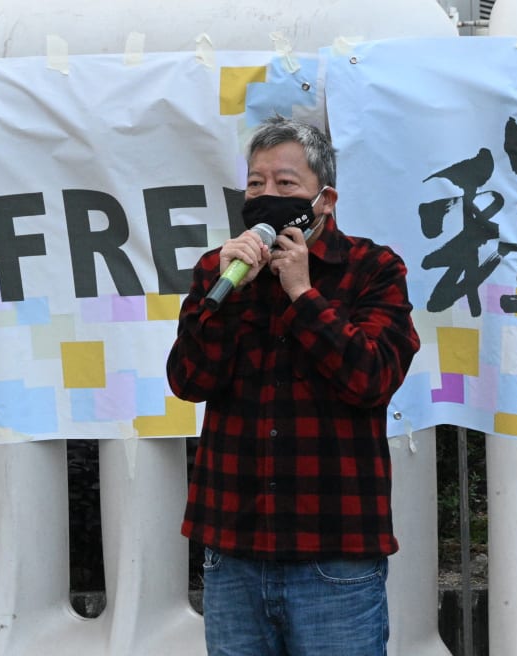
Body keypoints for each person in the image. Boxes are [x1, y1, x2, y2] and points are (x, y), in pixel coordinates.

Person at [166, 115, 420, 655]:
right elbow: (189, 380)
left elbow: (372, 378)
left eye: (286, 184)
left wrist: (303, 294)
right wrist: (227, 293)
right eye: (255, 183)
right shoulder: (220, 270)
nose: (266, 195)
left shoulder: (372, 269)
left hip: (335, 552)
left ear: (324, 199)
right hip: (233, 550)